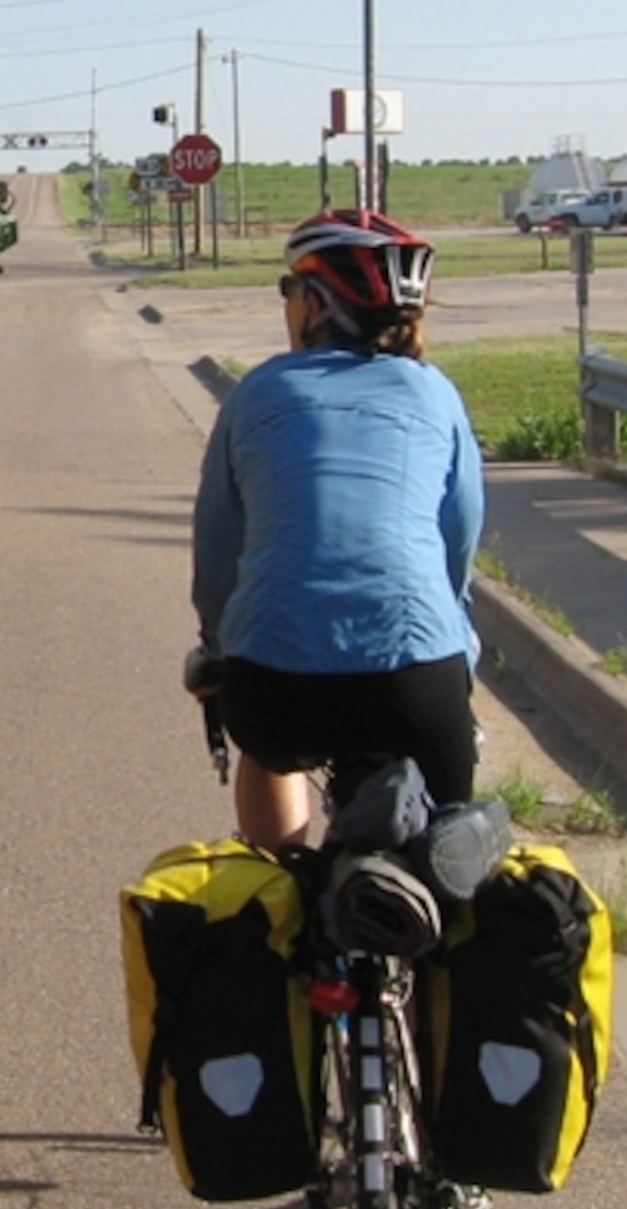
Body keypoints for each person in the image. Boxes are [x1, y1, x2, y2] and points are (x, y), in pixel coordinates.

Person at [187, 207, 485, 850]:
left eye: (291, 288)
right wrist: (457, 643)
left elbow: (218, 550)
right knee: (449, 858)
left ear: (317, 302)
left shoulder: (257, 394)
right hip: (418, 675)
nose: (287, 303)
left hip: (278, 687)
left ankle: (279, 892)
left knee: (269, 755)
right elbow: (458, 543)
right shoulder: (437, 395)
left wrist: (215, 652)